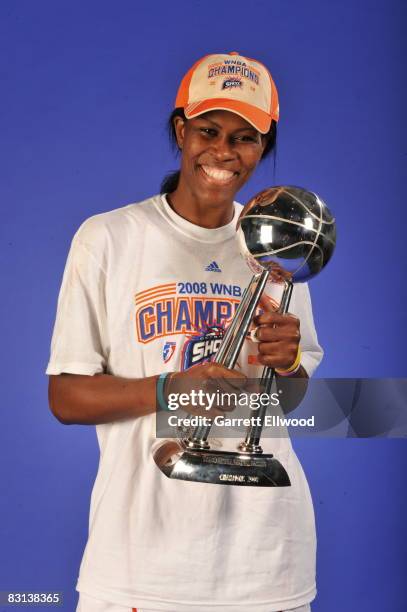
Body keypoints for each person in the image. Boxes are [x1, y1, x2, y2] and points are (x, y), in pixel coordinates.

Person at [47, 52, 323, 612]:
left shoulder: (276, 246)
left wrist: (287, 363)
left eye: (246, 138)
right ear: (181, 131)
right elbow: (67, 397)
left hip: (266, 562)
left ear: (263, 148)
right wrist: (172, 387)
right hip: (139, 564)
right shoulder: (108, 239)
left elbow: (290, 399)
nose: (224, 152)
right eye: (209, 131)